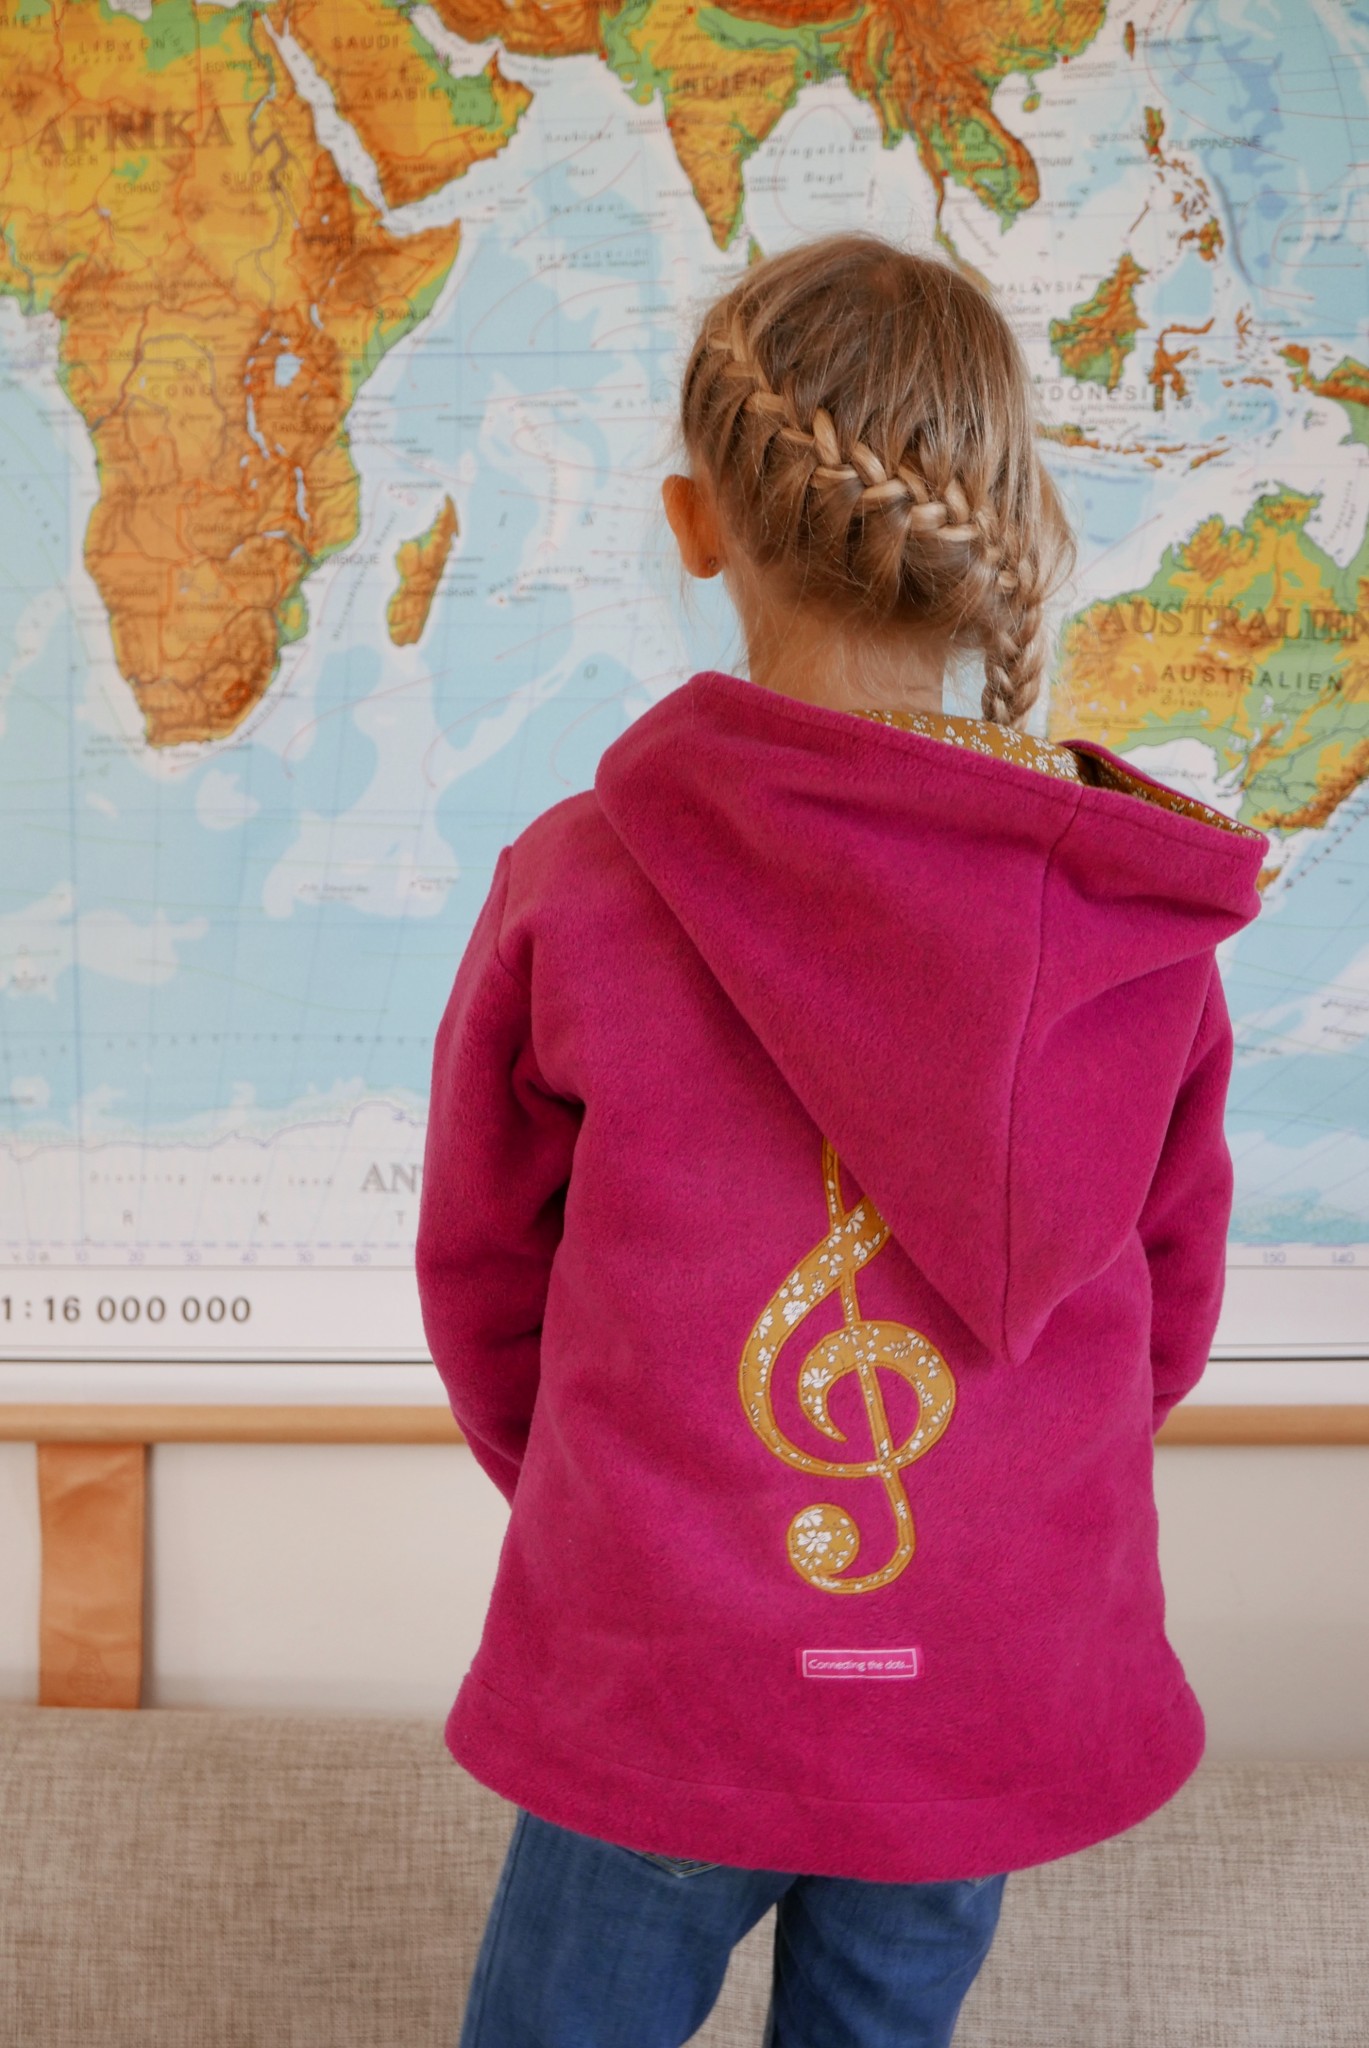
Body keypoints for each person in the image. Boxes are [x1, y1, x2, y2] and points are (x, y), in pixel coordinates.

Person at [415, 233, 1268, 2048]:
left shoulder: (579, 883)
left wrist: (624, 1526)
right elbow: (1165, 1313)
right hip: (986, 1679)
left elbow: (484, 1280)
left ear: (694, 522)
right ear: (1000, 530)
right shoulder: (1126, 919)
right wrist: (1004, 1518)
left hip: (665, 1668)